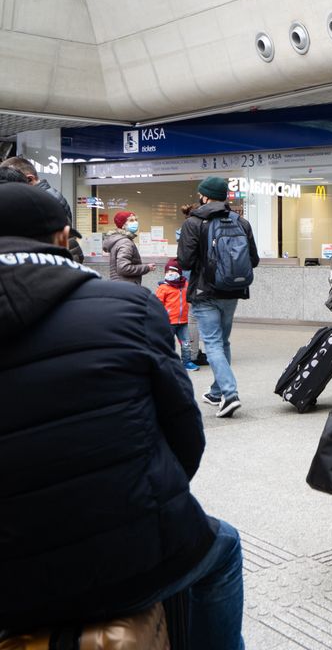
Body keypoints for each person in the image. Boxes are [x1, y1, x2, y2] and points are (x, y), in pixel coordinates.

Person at [0, 184, 244, 648]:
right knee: (222, 549)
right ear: (62, 237)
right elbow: (185, 435)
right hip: (130, 558)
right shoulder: (129, 307)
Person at [177, 176, 259, 419]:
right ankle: (216, 391)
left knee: (212, 343)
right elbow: (253, 260)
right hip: (232, 291)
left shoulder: (194, 222)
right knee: (223, 342)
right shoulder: (240, 221)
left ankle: (230, 394)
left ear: (204, 196)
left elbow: (185, 261)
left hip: (205, 291)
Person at [156, 258, 198, 371]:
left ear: (179, 273)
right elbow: (157, 304)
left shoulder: (185, 285)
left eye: (172, 272)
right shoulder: (163, 288)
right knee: (168, 344)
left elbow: (191, 295)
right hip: (169, 322)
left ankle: (187, 362)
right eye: (167, 272)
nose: (170, 274)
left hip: (183, 322)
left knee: (186, 343)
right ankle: (168, 363)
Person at [103, 210, 154, 285]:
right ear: (123, 225)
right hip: (126, 286)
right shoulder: (125, 242)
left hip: (121, 285)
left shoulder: (120, 240)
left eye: (136, 220)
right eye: (131, 220)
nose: (135, 222)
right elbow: (123, 268)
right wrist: (146, 268)